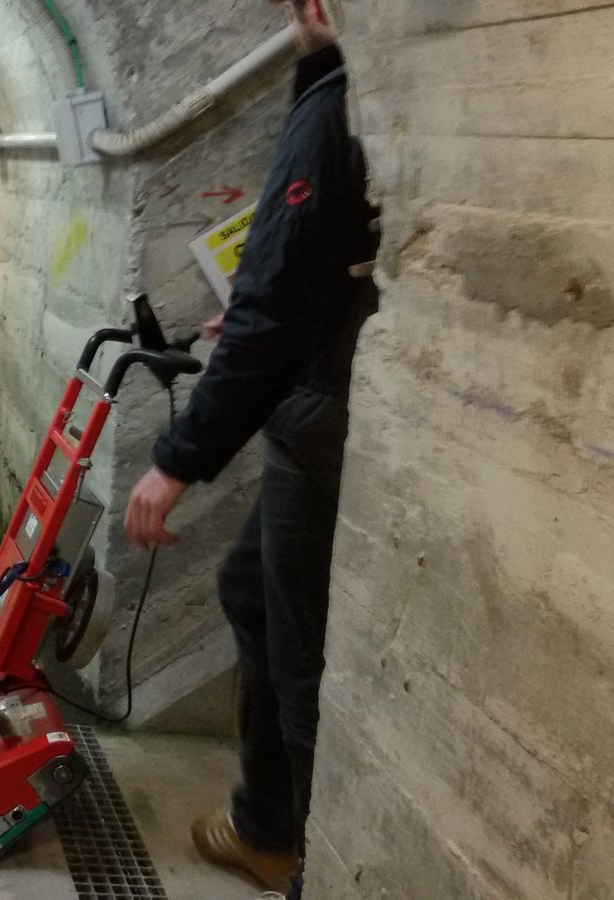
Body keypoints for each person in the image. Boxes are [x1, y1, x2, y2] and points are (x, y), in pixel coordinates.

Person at [122, 1, 379, 897]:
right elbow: (316, 273)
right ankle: (270, 828)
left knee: (303, 657)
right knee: (251, 595)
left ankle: (303, 857)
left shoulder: (341, 102)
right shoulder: (340, 90)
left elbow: (276, 301)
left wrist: (178, 459)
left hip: (325, 413)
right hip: (322, 395)